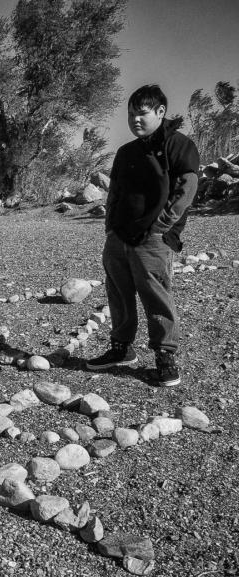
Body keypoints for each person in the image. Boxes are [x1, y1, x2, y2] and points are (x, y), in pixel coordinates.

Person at [86, 84, 200, 387]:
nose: (136, 119)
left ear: (160, 112)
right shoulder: (126, 152)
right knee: (118, 293)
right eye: (131, 113)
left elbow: (187, 188)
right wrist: (110, 226)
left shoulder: (178, 145)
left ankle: (165, 358)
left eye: (142, 113)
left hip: (153, 237)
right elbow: (116, 193)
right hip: (119, 236)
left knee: (156, 295)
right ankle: (121, 349)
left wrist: (163, 226)